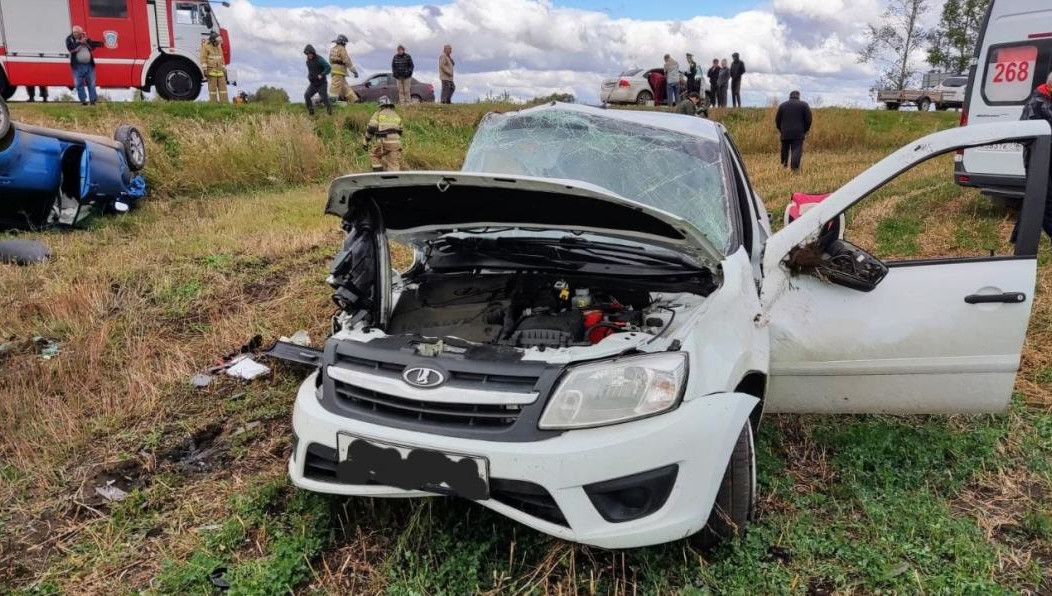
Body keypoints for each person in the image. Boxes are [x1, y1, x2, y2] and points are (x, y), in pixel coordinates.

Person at [1015, 71, 1052, 243]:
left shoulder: (1047, 100)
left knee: (1035, 199)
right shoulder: (1037, 102)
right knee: (1044, 201)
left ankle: (1019, 238)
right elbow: (1025, 135)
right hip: (1039, 160)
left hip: (1047, 159)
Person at [775, 90, 812, 173]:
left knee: (784, 149)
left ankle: (784, 165)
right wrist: (805, 130)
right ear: (798, 96)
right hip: (798, 132)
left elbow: (777, 120)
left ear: (790, 96)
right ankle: (794, 168)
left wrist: (780, 129)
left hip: (785, 132)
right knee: (796, 149)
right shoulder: (804, 105)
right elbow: (809, 120)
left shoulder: (782, 106)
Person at [65, 26, 102, 106]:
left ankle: (93, 100)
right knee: (79, 84)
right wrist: (80, 42)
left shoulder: (85, 38)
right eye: (74, 32)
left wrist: (87, 40)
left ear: (81, 32)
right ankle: (83, 101)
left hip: (89, 65)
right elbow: (71, 49)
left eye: (78, 32)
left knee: (91, 83)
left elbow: (92, 48)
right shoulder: (70, 39)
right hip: (77, 66)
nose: (76, 33)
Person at [364, 96, 403, 172]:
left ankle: (378, 174)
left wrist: (366, 141)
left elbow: (371, 127)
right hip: (396, 144)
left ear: (381, 106)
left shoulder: (378, 114)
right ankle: (394, 180)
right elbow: (401, 130)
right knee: (394, 163)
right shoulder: (396, 115)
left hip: (383, 141)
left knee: (374, 155)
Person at [303, 45, 332, 116]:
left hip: (322, 84)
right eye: (307, 54)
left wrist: (322, 74)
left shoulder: (320, 59)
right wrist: (309, 76)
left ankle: (330, 113)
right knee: (307, 95)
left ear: (313, 52)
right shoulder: (308, 61)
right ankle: (311, 113)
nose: (308, 55)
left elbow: (328, 67)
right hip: (313, 84)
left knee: (324, 98)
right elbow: (311, 71)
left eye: (310, 54)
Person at [329, 34, 359, 103]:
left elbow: (330, 60)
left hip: (334, 70)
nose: (345, 44)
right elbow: (347, 60)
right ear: (342, 42)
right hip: (340, 71)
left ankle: (354, 100)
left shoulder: (333, 49)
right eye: (345, 42)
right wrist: (354, 71)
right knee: (335, 86)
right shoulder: (342, 49)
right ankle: (332, 101)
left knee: (345, 86)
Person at [200, 31, 228, 103]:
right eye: (217, 41)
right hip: (211, 71)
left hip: (220, 71)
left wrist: (224, 69)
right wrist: (205, 70)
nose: (218, 43)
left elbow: (222, 58)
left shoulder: (218, 46)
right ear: (213, 40)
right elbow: (203, 58)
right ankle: (213, 103)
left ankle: (224, 103)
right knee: (213, 90)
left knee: (223, 89)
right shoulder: (206, 46)